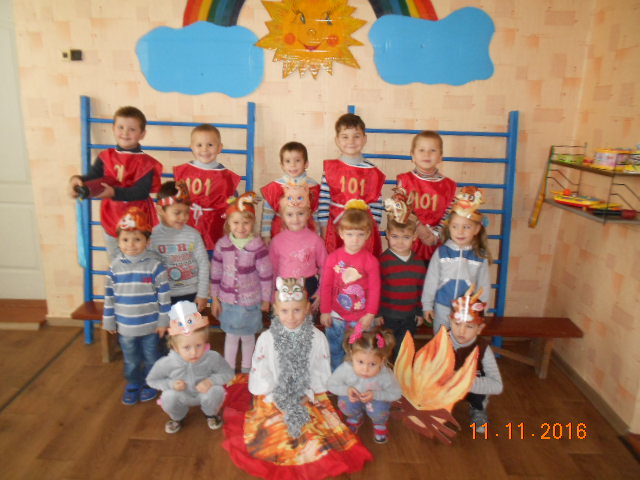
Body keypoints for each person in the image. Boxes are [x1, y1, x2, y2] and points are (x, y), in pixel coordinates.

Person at [222, 277, 372, 479]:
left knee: (310, 432)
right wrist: (277, 395)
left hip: (305, 392)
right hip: (274, 391)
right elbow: (262, 370)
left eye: (297, 310)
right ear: (276, 310)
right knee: (278, 429)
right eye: (285, 311)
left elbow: (319, 371)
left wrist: (305, 393)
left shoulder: (317, 338)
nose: (291, 317)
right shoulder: (267, 338)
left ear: (308, 308)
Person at [69, 106, 163, 259]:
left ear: (142, 134)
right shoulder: (105, 157)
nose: (125, 133)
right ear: (113, 128)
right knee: (115, 260)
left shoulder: (146, 163)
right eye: (120, 127)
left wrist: (114, 192)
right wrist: (77, 181)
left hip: (139, 220)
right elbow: (93, 177)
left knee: (143, 260)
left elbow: (141, 192)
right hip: (111, 217)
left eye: (132, 129)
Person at [102, 207, 171, 405]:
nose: (131, 244)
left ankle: (151, 382)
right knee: (131, 359)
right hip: (126, 327)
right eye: (125, 239)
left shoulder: (155, 267)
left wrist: (163, 321)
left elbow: (164, 297)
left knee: (152, 357)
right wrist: (109, 320)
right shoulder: (115, 268)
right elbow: (109, 296)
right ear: (118, 241)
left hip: (151, 326)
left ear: (147, 242)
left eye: (137, 239)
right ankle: (134, 383)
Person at [146, 301, 234, 434]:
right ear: (175, 347)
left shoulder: (212, 357)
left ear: (205, 342)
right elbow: (152, 380)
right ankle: (177, 417)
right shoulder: (167, 362)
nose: (194, 353)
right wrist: (171, 384)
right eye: (186, 347)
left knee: (217, 391)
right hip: (181, 395)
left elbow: (228, 373)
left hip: (204, 393)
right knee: (168, 396)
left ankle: (211, 414)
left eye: (199, 345)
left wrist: (211, 381)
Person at [210, 192, 272, 373]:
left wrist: (266, 299)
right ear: (228, 223)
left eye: (246, 222)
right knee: (231, 336)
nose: (241, 227)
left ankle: (247, 369)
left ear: (253, 223)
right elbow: (216, 273)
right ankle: (228, 369)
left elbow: (266, 275)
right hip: (228, 301)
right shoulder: (222, 245)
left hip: (250, 302)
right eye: (236, 222)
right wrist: (214, 298)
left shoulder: (257, 246)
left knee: (247, 336)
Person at [422, 187, 492, 334]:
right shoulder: (441, 252)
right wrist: (427, 305)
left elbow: (483, 285)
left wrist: (482, 308)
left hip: (467, 311)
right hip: (442, 307)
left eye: (466, 227)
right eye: (455, 227)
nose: (460, 232)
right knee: (441, 341)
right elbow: (431, 281)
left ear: (477, 229)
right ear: (450, 228)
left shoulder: (480, 256)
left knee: (462, 341)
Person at [319, 204, 381, 371]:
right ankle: (335, 377)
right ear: (341, 233)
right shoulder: (333, 258)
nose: (355, 239)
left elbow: (375, 289)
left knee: (357, 352)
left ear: (367, 235)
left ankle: (354, 378)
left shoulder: (371, 261)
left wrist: (370, 314)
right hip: (336, 316)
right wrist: (325, 311)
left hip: (359, 318)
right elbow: (326, 286)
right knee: (334, 350)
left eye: (360, 234)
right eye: (350, 234)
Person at [317, 113, 386, 256]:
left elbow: (376, 203)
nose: (351, 141)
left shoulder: (372, 171)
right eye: (345, 136)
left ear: (364, 139)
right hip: (337, 228)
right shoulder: (330, 169)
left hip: (363, 230)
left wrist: (374, 228)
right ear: (337, 140)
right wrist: (323, 228)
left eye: (356, 136)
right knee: (338, 264)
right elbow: (324, 201)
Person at [328, 325, 402, 444]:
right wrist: (347, 390)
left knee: (379, 411)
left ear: (382, 360)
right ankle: (355, 417)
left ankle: (379, 423)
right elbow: (331, 385)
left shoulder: (385, 374)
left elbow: (396, 393)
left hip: (376, 400)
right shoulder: (346, 369)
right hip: (353, 397)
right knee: (346, 405)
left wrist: (376, 395)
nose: (365, 369)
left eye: (372, 364)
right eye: (360, 362)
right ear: (352, 355)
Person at [174, 124, 241, 251]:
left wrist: (235, 204)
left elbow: (232, 200)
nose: (204, 149)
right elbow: (177, 198)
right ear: (191, 147)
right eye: (199, 145)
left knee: (215, 252)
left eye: (210, 145)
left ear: (219, 148)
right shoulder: (184, 171)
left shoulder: (225, 176)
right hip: (188, 220)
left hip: (215, 223)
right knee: (188, 252)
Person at [378, 188, 427, 359]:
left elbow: (421, 290)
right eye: (395, 236)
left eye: (406, 237)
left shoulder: (418, 263)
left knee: (404, 350)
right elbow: (377, 289)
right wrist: (377, 314)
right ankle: (385, 371)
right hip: (388, 316)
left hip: (409, 316)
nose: (400, 242)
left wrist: (419, 312)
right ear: (387, 235)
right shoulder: (383, 261)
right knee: (385, 349)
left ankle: (401, 372)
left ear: (414, 237)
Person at [448, 286, 503, 434]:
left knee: (481, 386)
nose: (461, 331)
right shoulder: (441, 341)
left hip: (472, 387)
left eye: (469, 326)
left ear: (479, 328)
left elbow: (497, 385)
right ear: (450, 321)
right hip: (446, 386)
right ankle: (440, 407)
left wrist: (465, 383)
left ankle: (478, 408)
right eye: (457, 324)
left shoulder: (483, 349)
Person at [397, 130, 457, 261]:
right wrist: (418, 227)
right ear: (412, 155)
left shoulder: (449, 186)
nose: (427, 154)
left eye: (433, 150)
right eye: (421, 150)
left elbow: (449, 215)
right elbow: (399, 209)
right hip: (409, 242)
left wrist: (436, 235)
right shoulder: (405, 181)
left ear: (440, 156)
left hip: (437, 244)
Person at [150, 181, 210, 312]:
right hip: (162, 296)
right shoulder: (152, 237)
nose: (183, 217)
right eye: (177, 212)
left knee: (188, 326)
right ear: (160, 210)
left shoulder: (193, 235)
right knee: (165, 326)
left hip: (191, 295)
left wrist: (202, 294)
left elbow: (204, 264)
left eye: (187, 212)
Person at [269, 183, 327, 310]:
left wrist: (320, 292)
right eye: (290, 214)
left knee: (306, 320)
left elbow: (325, 267)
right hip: (283, 287)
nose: (295, 219)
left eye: (300, 213)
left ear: (308, 214)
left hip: (308, 287)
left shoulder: (316, 240)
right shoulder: (276, 241)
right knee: (285, 319)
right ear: (282, 216)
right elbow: (272, 270)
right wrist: (272, 296)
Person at [260, 141, 320, 243]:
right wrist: (266, 235)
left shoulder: (314, 186)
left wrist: (318, 235)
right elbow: (267, 213)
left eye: (297, 160)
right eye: (288, 161)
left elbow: (317, 214)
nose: (292, 165)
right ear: (282, 165)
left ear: (306, 163)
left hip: (306, 235)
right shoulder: (274, 187)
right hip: (280, 233)